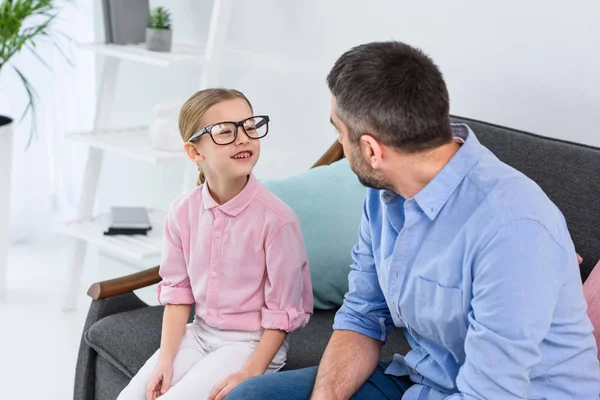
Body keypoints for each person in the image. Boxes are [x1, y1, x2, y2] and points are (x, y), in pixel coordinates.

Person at [227, 41, 600, 399]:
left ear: (371, 149)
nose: (339, 143)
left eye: (339, 132)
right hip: (422, 382)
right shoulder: (384, 195)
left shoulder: (513, 228)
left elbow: (490, 392)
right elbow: (362, 315)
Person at [116, 88, 313, 400]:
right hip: (199, 334)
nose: (244, 138)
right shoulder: (182, 211)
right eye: (225, 131)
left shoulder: (277, 220)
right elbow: (178, 293)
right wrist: (165, 359)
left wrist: (251, 372)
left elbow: (283, 312)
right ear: (195, 153)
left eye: (249, 126)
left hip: (250, 343)